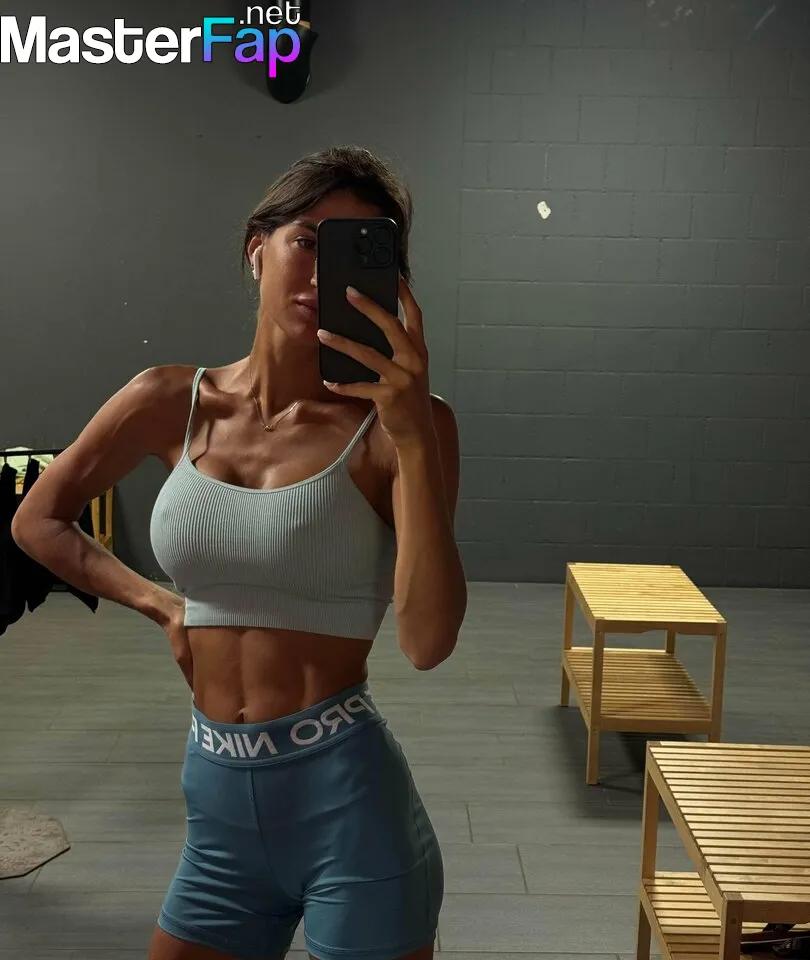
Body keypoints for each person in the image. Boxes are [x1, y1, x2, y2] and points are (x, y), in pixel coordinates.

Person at [11, 144, 467, 960]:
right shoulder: (168, 399)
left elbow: (427, 642)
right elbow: (38, 520)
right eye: (308, 241)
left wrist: (412, 437)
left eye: (355, 252)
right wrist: (161, 605)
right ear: (258, 249)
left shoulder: (405, 428)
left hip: (351, 814)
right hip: (218, 813)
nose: (323, 273)